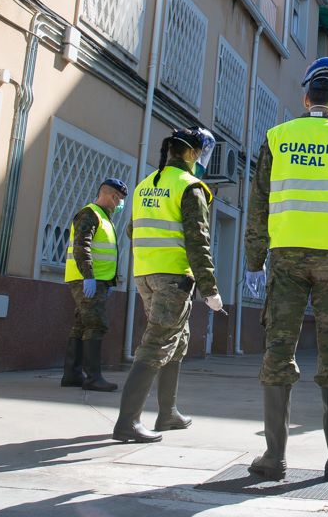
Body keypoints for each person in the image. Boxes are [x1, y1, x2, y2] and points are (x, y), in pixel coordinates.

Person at [243, 57, 328, 481]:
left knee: (278, 349)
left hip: (285, 258)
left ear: (306, 99)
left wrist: (253, 261)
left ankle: (273, 459)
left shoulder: (277, 137)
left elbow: (258, 204)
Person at [113, 127, 222, 443]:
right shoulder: (190, 187)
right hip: (173, 277)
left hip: (145, 274)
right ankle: (127, 422)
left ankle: (168, 413)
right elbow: (198, 242)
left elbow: (133, 230)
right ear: (192, 153)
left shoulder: (146, 185)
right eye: (199, 154)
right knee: (156, 344)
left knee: (177, 340)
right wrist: (210, 288)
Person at [60, 177, 128, 392]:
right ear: (111, 195)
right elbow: (82, 246)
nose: (121, 204)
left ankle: (72, 375)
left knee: (82, 324)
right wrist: (88, 276)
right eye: (120, 199)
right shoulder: (90, 214)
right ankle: (93, 378)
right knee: (95, 325)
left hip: (99, 280)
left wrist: (108, 281)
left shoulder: (104, 218)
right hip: (88, 280)